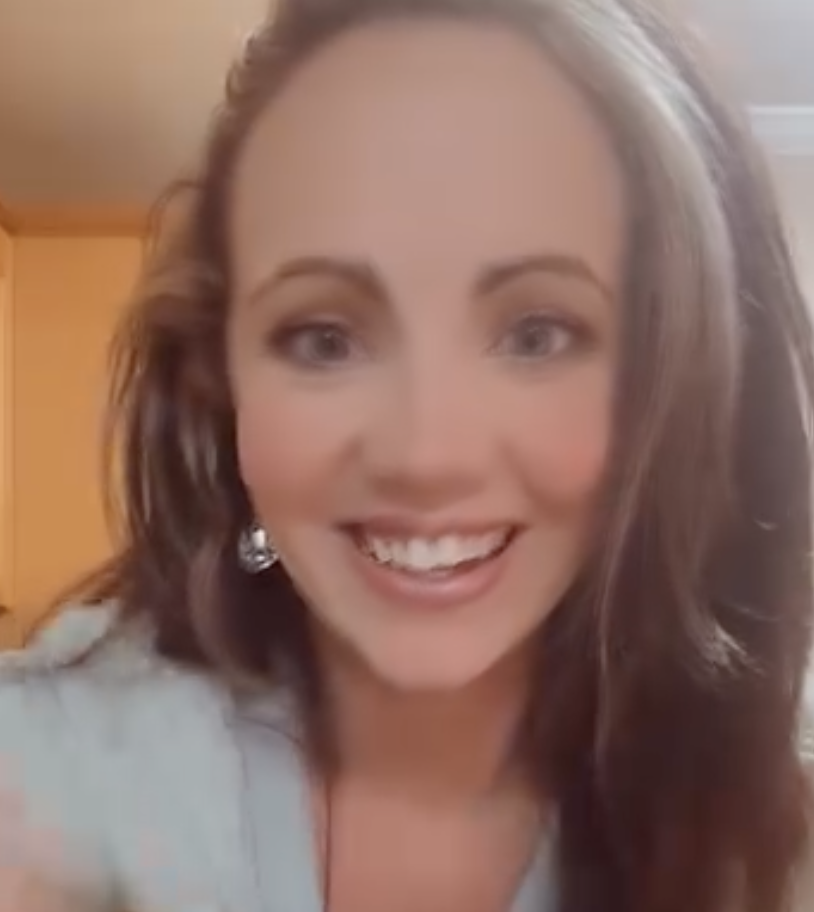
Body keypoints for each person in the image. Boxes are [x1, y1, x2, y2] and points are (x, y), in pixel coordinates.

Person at [1, 0, 813, 910]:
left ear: (678, 380)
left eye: (538, 333)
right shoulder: (39, 779)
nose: (426, 454)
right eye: (324, 339)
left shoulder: (769, 847)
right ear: (219, 381)